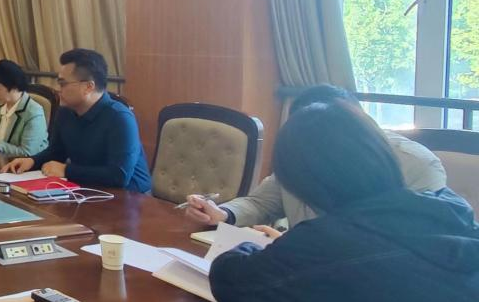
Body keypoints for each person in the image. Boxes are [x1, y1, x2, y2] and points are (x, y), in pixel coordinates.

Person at [208, 101, 479, 302]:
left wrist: (269, 246)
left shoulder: (326, 243)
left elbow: (228, 278)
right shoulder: (452, 212)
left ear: (304, 181)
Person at [184, 84, 455, 228]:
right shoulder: (303, 152)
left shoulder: (417, 165)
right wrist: (224, 214)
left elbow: (417, 243)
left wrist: (294, 247)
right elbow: (261, 202)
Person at [2, 49, 151, 193]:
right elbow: (56, 152)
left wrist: (66, 170)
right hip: (87, 190)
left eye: (63, 84)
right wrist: (32, 161)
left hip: (130, 197)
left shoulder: (120, 117)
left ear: (88, 87)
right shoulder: (65, 112)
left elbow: (119, 175)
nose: (58, 89)